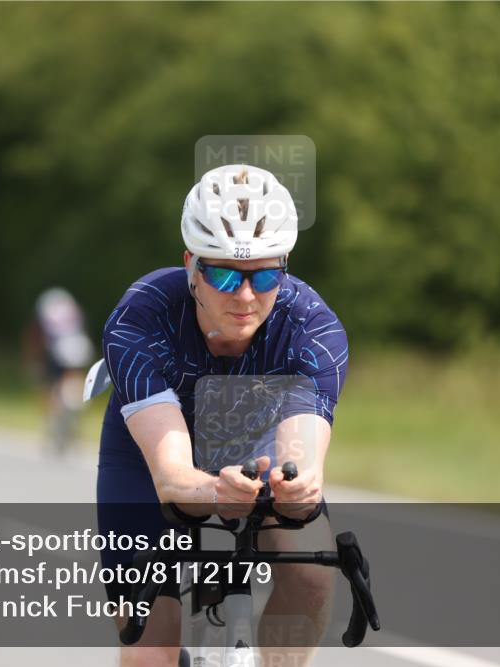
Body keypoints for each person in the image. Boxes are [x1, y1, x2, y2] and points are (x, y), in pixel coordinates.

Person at [97, 165, 349, 667]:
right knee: (150, 652)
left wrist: (297, 491)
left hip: (257, 442)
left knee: (313, 578)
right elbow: (172, 479)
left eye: (265, 274)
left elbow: (303, 465)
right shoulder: (142, 315)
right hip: (152, 450)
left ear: (286, 267)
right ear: (190, 264)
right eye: (224, 273)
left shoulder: (313, 330)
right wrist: (214, 491)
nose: (245, 294)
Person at [24, 287, 94, 452]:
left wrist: (34, 360)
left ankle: (53, 426)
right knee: (75, 382)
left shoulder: (45, 309)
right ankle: (74, 423)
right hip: (79, 347)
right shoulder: (74, 309)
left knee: (50, 388)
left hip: (57, 349)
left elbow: (37, 336)